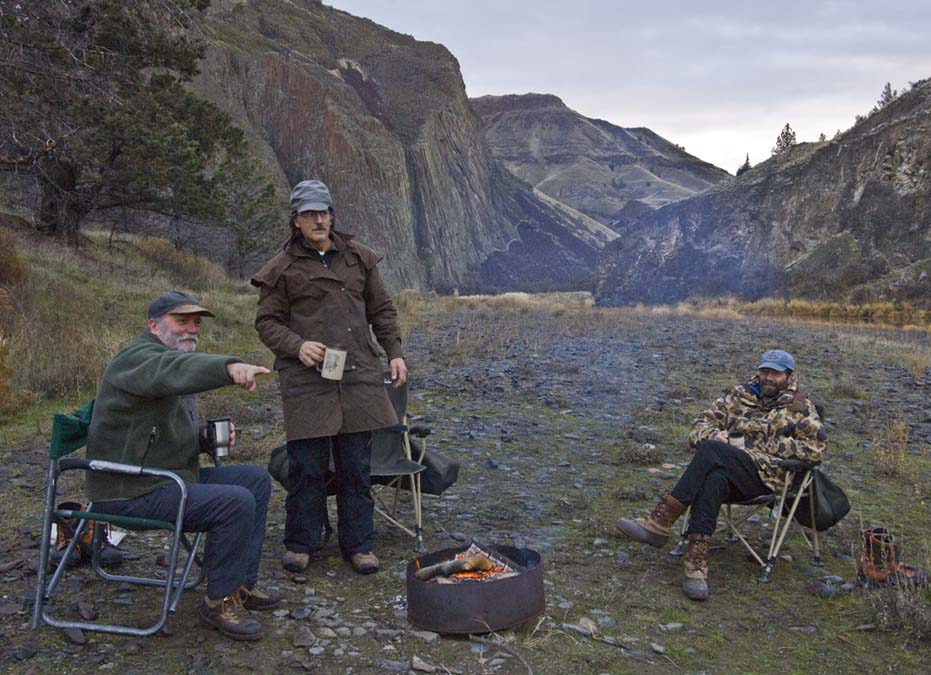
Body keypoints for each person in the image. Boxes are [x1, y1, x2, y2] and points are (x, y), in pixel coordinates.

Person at [86, 291, 280, 641]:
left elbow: (159, 432)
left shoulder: (167, 360)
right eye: (182, 321)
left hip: (162, 479)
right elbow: (171, 372)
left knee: (254, 480)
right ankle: (218, 603)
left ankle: (238, 586)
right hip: (127, 490)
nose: (192, 329)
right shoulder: (139, 359)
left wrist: (205, 439)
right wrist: (228, 368)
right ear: (153, 325)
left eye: (196, 323)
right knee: (235, 501)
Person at [251, 179, 406, 575]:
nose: (320, 220)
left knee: (356, 464)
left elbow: (382, 311)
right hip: (307, 380)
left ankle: (358, 544)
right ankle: (302, 542)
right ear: (296, 221)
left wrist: (395, 353)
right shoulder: (281, 268)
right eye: (310, 215)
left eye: (324, 213)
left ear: (331, 215)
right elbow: (267, 322)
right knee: (307, 466)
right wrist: (297, 345)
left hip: (357, 375)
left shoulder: (359, 258)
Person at [617, 349, 826, 601]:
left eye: (775, 373)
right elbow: (698, 426)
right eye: (765, 371)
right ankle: (696, 567)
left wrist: (761, 445)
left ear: (789, 376)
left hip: (767, 478)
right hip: (728, 470)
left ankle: (660, 522)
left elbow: (816, 450)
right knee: (713, 473)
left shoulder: (800, 408)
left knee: (711, 454)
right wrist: (712, 435)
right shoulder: (738, 397)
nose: (768, 378)